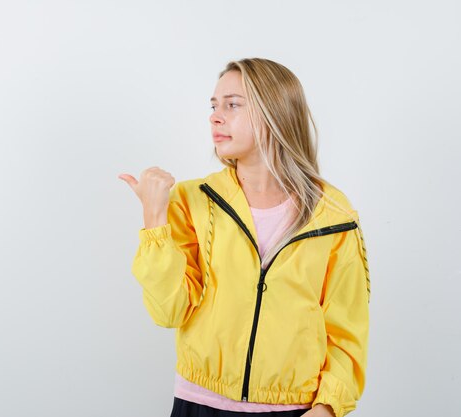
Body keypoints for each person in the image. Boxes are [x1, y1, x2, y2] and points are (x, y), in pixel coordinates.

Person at [118, 58, 370, 417]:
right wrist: (154, 217)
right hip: (200, 404)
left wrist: (328, 408)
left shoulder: (333, 214)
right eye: (214, 105)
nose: (215, 117)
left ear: (275, 113)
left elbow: (347, 330)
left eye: (232, 105)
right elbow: (169, 311)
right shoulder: (194, 201)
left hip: (296, 409)